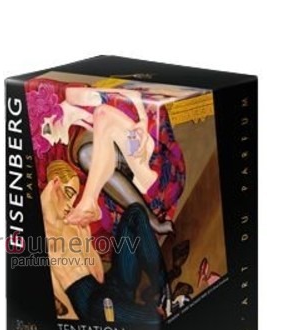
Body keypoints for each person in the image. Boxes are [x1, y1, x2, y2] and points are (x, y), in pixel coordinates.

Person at [27, 80, 186, 232]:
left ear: (50, 114)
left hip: (141, 145)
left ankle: (90, 200)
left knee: (102, 115)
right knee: (87, 154)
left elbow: (131, 94)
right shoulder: (79, 121)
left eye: (47, 131)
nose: (53, 141)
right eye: (45, 141)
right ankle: (150, 220)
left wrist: (143, 121)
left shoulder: (74, 95)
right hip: (130, 156)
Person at [41, 160, 169, 323]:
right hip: (88, 302)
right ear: (55, 184)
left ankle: (163, 291)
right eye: (68, 193)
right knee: (155, 322)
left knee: (135, 212)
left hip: (108, 288)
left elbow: (97, 270)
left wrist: (85, 227)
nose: (70, 204)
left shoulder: (73, 221)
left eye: (74, 197)